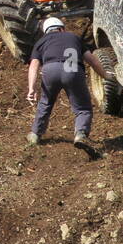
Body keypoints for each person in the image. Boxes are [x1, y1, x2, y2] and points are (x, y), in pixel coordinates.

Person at [26, 16, 110, 149]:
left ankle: (35, 135)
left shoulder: (41, 42)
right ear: (61, 29)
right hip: (72, 69)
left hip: (50, 70)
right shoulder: (73, 37)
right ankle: (81, 134)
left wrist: (32, 88)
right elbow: (92, 60)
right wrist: (105, 75)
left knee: (45, 102)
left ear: (47, 31)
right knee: (82, 108)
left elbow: (34, 65)